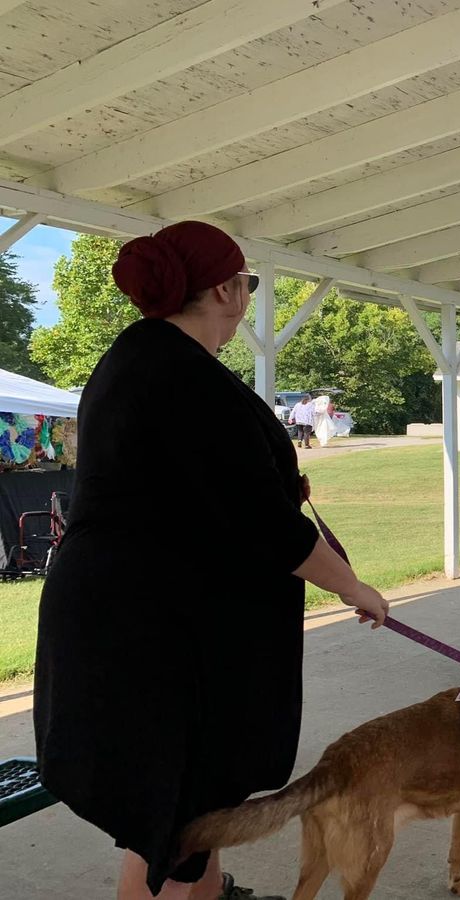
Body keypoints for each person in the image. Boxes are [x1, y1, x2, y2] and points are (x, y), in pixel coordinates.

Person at [33, 221, 390, 900]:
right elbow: (265, 524)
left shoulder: (144, 360)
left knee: (188, 815)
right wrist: (353, 587)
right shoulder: (181, 377)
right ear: (225, 289)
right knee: (171, 824)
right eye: (248, 286)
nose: (247, 299)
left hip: (140, 621)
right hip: (154, 636)